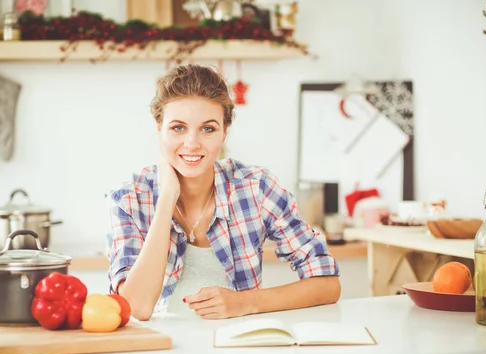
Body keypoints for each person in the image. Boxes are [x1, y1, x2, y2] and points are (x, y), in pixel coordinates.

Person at [106, 64, 340, 320]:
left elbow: (328, 285)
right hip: (160, 352)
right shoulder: (129, 200)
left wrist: (245, 302)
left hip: (240, 349)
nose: (192, 143)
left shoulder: (255, 188)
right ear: (159, 128)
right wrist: (167, 198)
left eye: (208, 128)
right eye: (178, 128)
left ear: (224, 132)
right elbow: (135, 307)